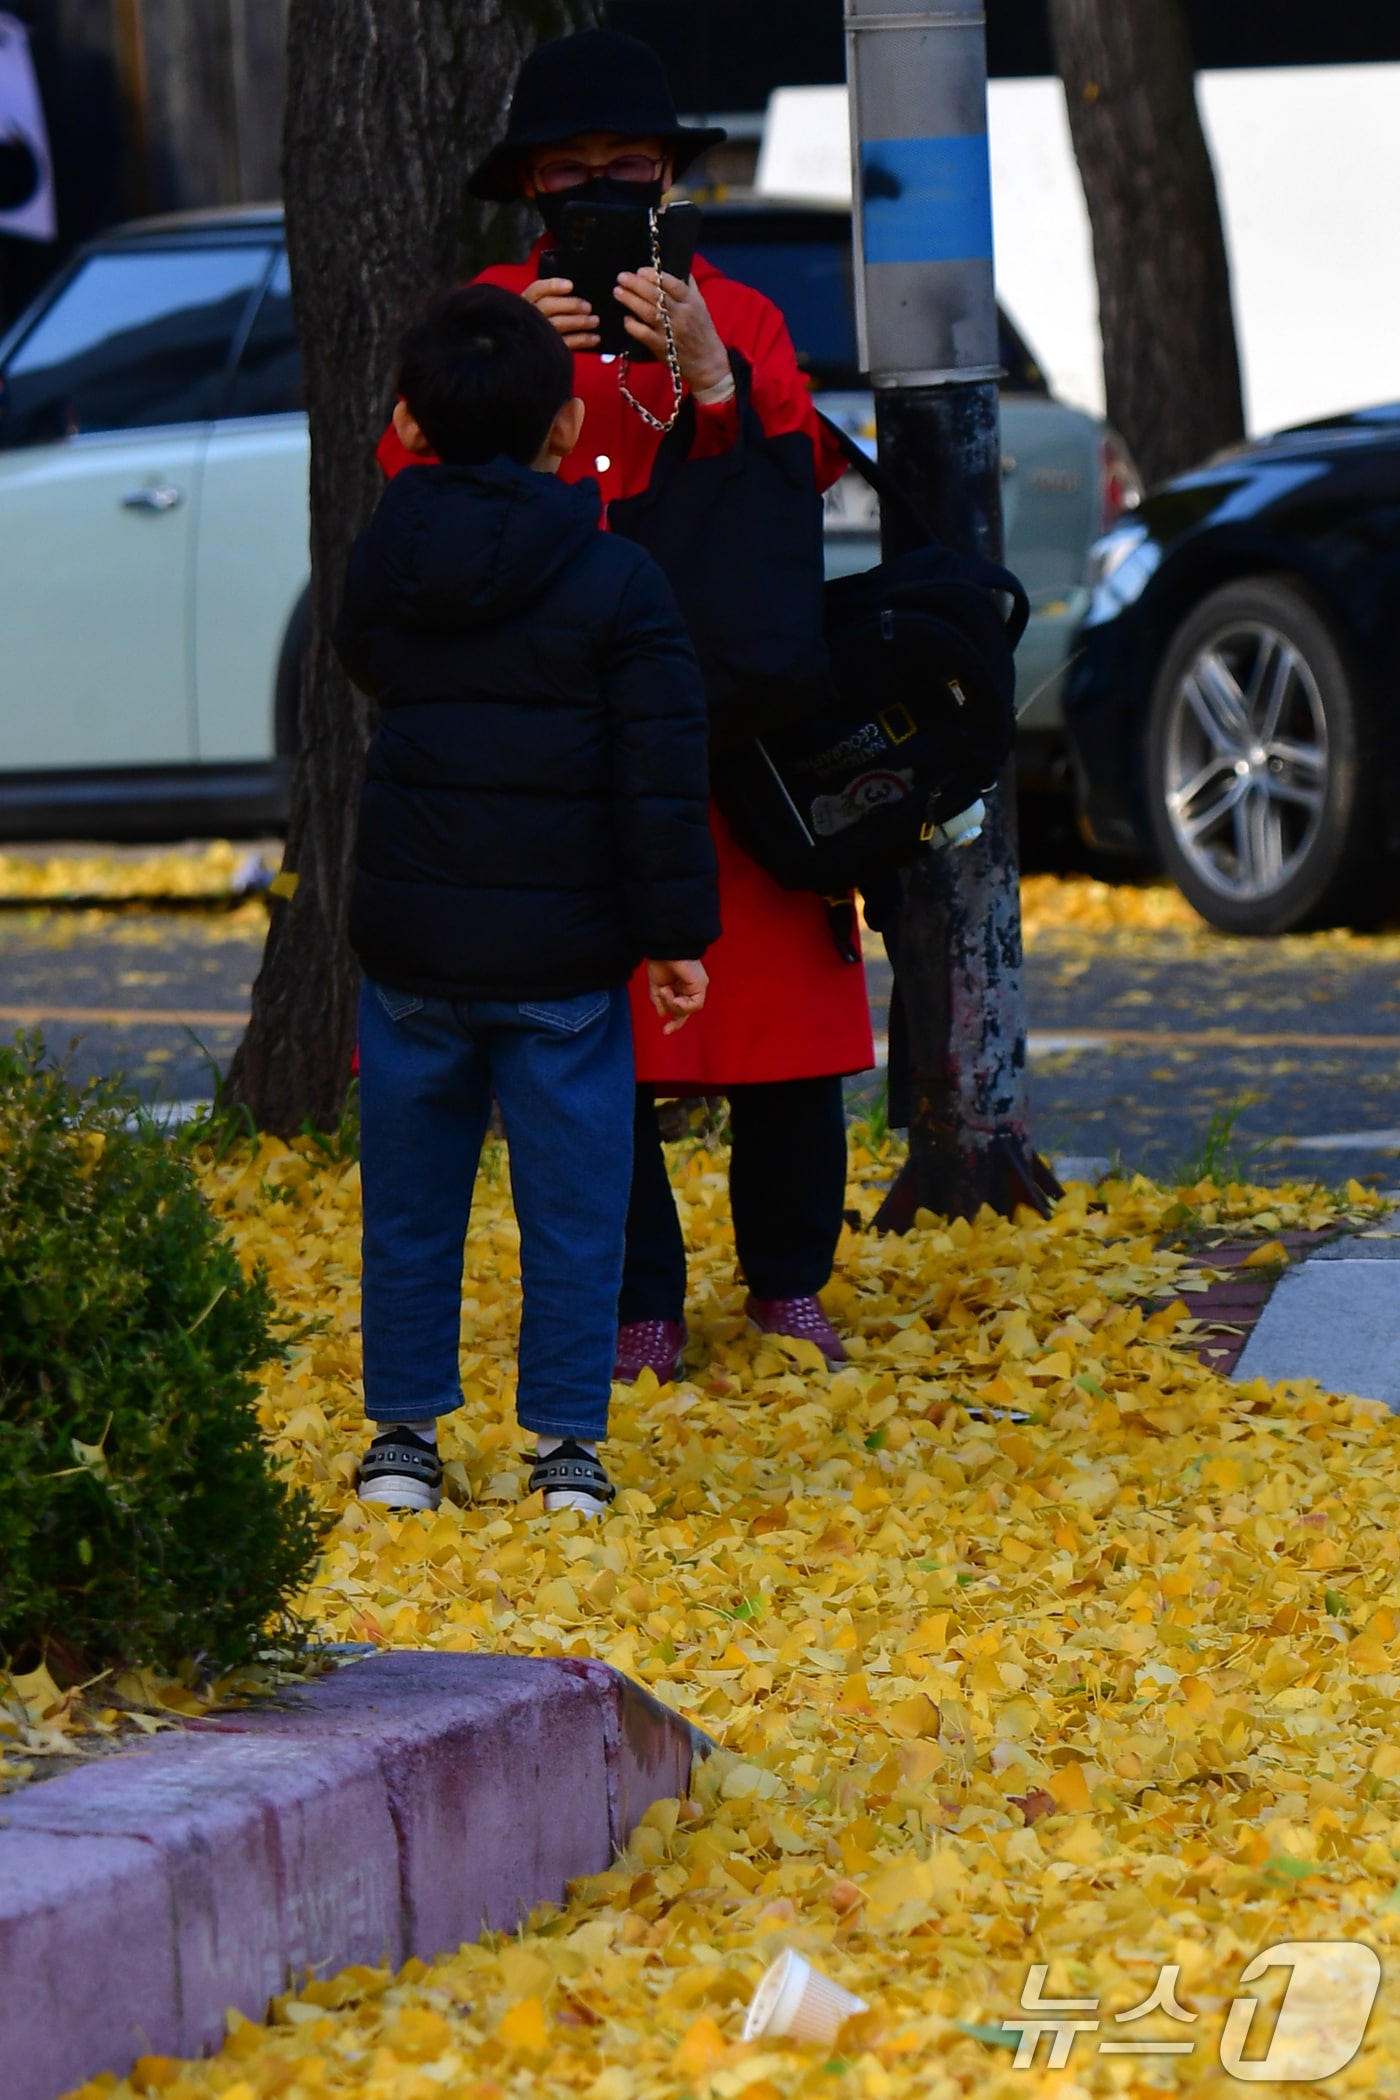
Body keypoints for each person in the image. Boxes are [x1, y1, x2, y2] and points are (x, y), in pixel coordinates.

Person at [379, 30, 875, 1385]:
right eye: (571, 174)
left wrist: (711, 371)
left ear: (667, 178)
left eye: (626, 170)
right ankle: (639, 1300)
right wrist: (492, 378)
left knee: (787, 1031)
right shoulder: (485, 311)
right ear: (530, 191)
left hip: (729, 728)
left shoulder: (742, 312)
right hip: (565, 737)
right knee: (613, 1045)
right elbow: (406, 491)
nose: (597, 193)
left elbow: (795, 484)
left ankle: (787, 1288)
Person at [338, 284, 719, 1516]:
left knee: (407, 1201)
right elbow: (659, 770)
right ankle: (566, 1451)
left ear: (407, 421)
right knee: (571, 1206)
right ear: (565, 430)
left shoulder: (380, 563)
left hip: (412, 940)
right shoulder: (616, 579)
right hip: (560, 950)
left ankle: (402, 1437)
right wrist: (675, 936)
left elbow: (364, 664)